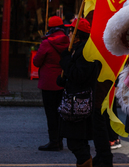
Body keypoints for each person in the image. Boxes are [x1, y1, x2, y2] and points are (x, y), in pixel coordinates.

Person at [57, 18, 101, 167]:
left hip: (79, 103)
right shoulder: (77, 48)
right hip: (75, 101)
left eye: (70, 31)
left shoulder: (85, 51)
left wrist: (66, 61)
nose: (68, 34)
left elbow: (79, 75)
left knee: (76, 142)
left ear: (76, 34)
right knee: (77, 141)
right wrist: (64, 80)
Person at [33, 16, 70, 151]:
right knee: (60, 113)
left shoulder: (46, 43)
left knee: (51, 113)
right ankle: (59, 140)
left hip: (48, 83)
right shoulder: (68, 41)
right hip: (62, 81)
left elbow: (36, 62)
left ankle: (54, 141)